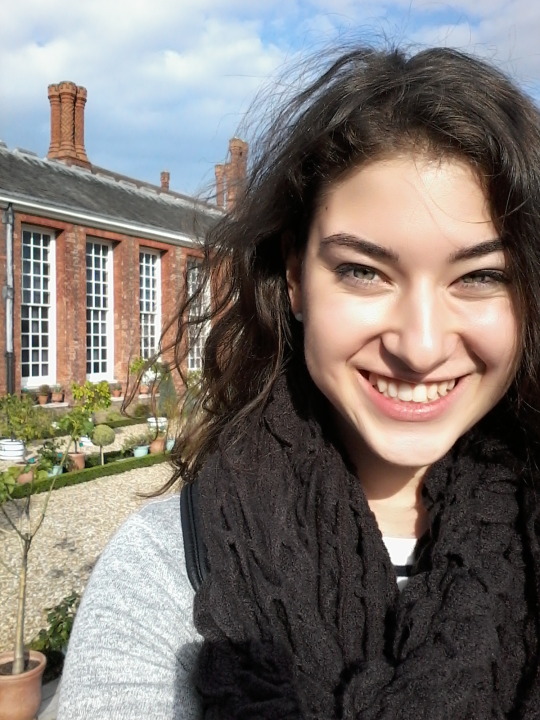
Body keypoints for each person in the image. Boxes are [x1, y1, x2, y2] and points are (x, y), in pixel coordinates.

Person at [58, 44, 540, 719]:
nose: (421, 346)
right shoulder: (170, 569)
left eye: (481, 276)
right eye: (364, 271)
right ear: (293, 278)